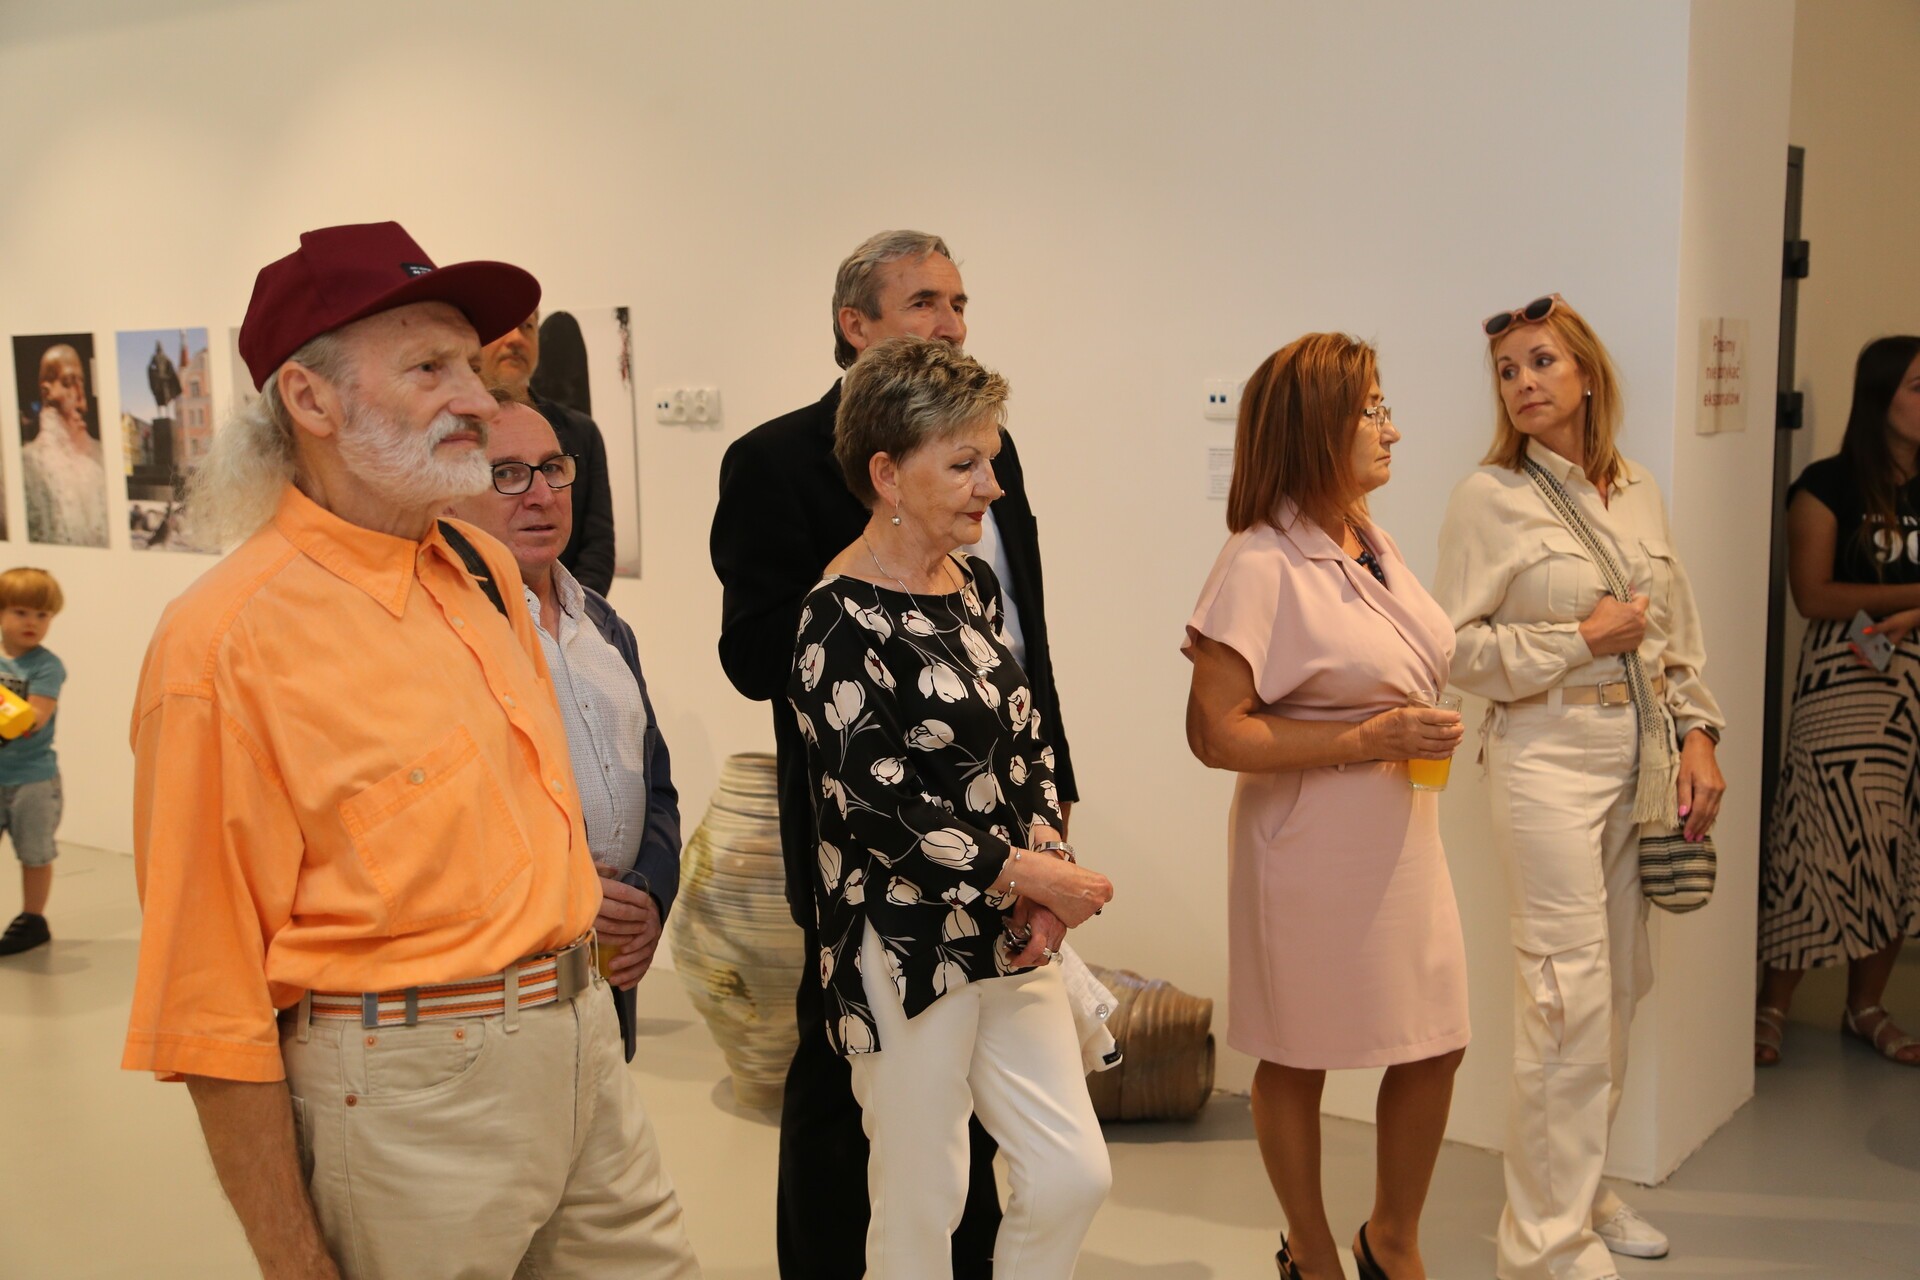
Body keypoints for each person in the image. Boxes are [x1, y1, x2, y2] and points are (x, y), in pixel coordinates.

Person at [122, 221, 699, 1279]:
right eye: (430, 368)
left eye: (471, 366)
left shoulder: (482, 569)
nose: (476, 398)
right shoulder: (223, 643)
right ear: (312, 400)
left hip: (586, 1052)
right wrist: (294, 1260)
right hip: (408, 1098)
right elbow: (207, 999)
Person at [710, 229, 1078, 1277]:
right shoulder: (776, 460)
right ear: (854, 324)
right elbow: (753, 656)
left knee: (984, 1114)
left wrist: (1048, 797)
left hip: (1004, 809)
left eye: (959, 303)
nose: (950, 323)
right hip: (868, 833)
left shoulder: (991, 447)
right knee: (854, 1096)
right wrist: (868, 593)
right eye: (924, 302)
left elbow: (1017, 639)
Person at [788, 335, 1112, 1278]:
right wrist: (1030, 876)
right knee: (922, 1204)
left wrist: (1044, 863)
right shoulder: (835, 620)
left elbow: (1025, 737)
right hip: (902, 941)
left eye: (992, 461)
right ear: (887, 474)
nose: (991, 487)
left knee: (1071, 1174)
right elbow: (876, 808)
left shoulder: (970, 586)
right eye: (965, 464)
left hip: (1007, 928)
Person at [1433, 295, 1726, 1280]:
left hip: (1642, 755)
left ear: (1588, 374)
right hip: (1546, 757)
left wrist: (1700, 735)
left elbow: (1675, 635)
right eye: (1507, 371)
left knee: (1622, 985)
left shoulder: (1637, 489)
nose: (1523, 383)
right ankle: (1544, 1244)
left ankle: (1582, 1190)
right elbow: (1452, 650)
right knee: (1566, 992)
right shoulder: (1488, 497)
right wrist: (1577, 640)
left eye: (1542, 361)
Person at [1184, 334, 1469, 1280]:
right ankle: (1311, 1252)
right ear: (1315, 428)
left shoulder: (1367, 537)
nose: (1393, 429)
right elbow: (1216, 733)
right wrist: (1366, 738)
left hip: (1402, 835)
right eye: (1372, 410)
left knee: (1434, 1041)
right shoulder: (1259, 560)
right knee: (1296, 1050)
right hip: (1307, 844)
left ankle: (1391, 1238)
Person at [447, 390, 682, 1062]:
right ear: (449, 499)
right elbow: (461, 815)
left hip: (609, 963)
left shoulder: (605, 625)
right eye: (507, 474)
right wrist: (571, 889)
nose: (541, 495)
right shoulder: (454, 636)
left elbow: (656, 784)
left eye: (553, 468)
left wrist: (648, 896)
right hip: (508, 986)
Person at [1757, 334, 1920, 1067]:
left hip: (1914, 687)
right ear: (1881, 397)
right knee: (1817, 837)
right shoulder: (1828, 484)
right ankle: (1772, 1005)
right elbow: (1814, 594)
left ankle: (1866, 1007)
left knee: (1900, 842)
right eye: (1918, 387)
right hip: (1847, 679)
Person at [482, 309, 618, 592]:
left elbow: (598, 544)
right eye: (504, 327)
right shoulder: (449, 434)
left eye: (527, 326)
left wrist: (570, 610)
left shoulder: (581, 432)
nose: (515, 338)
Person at [0, 567, 68, 957]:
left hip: (33, 780)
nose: (32, 622)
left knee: (35, 853)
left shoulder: (46, 666)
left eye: (42, 615)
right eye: (21, 612)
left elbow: (35, 717)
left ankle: (32, 919)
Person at [23, 343, 110, 547]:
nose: (81, 400)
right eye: (69, 383)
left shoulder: (100, 456)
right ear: (47, 392)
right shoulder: (26, 464)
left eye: (82, 383)